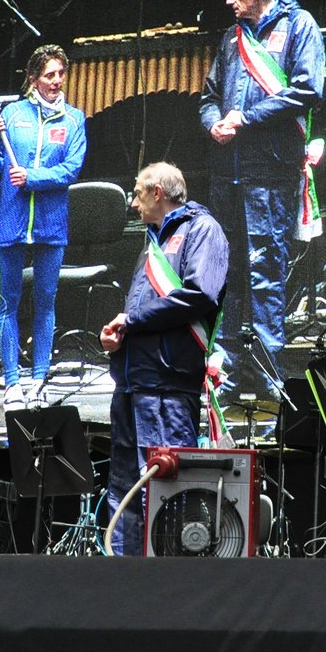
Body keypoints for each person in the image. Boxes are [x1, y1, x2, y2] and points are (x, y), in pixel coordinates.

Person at [198, 0, 325, 376]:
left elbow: (308, 89)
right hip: (227, 174)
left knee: (266, 272)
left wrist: (246, 119)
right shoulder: (231, 38)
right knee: (229, 274)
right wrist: (212, 122)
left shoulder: (300, 26)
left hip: (269, 175)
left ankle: (271, 377)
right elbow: (208, 97)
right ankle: (230, 372)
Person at [99, 162, 228, 555]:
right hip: (132, 385)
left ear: (158, 192)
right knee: (123, 493)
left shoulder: (203, 230)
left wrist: (132, 320)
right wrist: (118, 340)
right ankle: (124, 584)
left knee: (164, 492)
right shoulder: (152, 242)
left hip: (167, 388)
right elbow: (142, 313)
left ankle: (166, 588)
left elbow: (200, 295)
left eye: (137, 194)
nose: (134, 205)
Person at [0, 44, 87, 408]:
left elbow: (71, 170)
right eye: (49, 74)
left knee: (45, 300)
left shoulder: (74, 120)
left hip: (50, 224)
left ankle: (39, 379)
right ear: (33, 79)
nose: (56, 81)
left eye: (60, 74)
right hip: (10, 221)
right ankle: (12, 383)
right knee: (9, 302)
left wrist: (33, 177)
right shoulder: (11, 113)